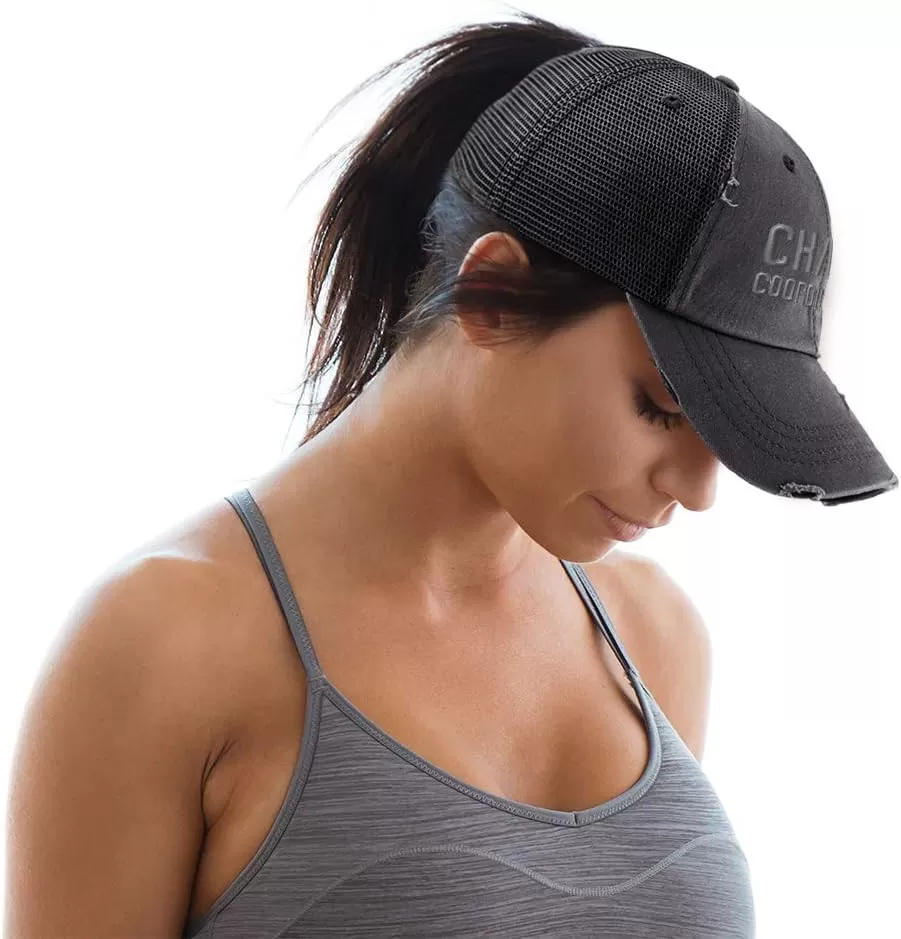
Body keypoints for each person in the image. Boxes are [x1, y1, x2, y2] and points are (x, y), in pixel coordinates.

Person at [5, 12, 896, 939]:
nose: (697, 490)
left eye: (725, 430)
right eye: (661, 406)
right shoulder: (165, 644)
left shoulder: (653, 635)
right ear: (492, 294)